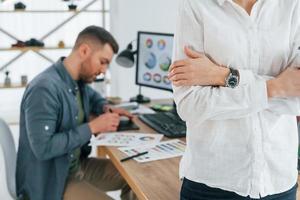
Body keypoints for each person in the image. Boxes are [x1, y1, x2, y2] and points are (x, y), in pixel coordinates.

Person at [168, 0, 300, 199]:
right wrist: (274, 87)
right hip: (211, 184)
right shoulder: (195, 6)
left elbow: (296, 97)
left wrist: (224, 76)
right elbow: (190, 105)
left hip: (278, 181)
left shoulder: (293, 6)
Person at [16, 25, 136, 200]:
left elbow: (94, 97)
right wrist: (92, 127)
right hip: (53, 181)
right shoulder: (44, 89)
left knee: (131, 178)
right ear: (84, 50)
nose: (104, 70)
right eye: (103, 62)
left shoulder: (76, 81)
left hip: (76, 166)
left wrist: (105, 107)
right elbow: (43, 148)